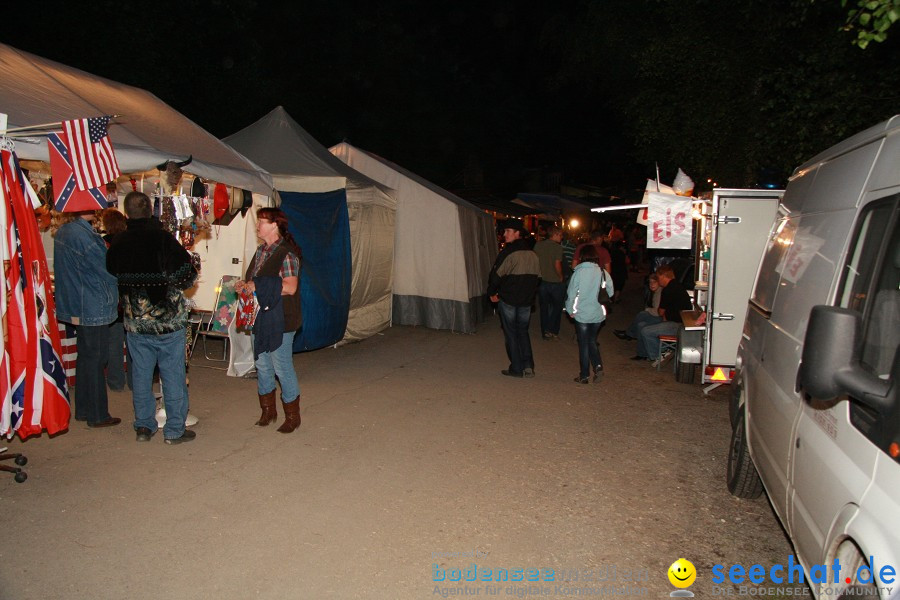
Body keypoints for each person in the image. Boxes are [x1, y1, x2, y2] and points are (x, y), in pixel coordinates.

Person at [106, 192, 198, 444]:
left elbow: (111, 271)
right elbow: (187, 275)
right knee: (173, 375)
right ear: (150, 211)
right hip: (167, 321)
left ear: (127, 213)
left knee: (141, 375)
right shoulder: (163, 239)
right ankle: (174, 430)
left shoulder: (118, 241)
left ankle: (144, 427)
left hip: (135, 322)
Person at [235, 207, 303, 433]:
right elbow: (255, 282)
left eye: (262, 221)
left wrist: (258, 286)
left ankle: (292, 416)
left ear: (274, 225)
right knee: (262, 365)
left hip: (282, 319)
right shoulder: (260, 251)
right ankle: (268, 411)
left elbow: (290, 288)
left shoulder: (287, 254)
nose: (258, 226)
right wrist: (244, 285)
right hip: (260, 316)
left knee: (281, 367)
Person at [53, 210, 122, 428]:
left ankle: (84, 409)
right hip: (93, 302)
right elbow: (107, 270)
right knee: (96, 358)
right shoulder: (82, 235)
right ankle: (97, 414)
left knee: (86, 357)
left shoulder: (66, 231)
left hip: (80, 300)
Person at [487, 219, 540, 378]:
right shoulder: (533, 254)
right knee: (523, 332)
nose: (505, 234)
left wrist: (491, 292)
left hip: (509, 298)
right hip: (526, 300)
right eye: (504, 232)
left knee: (510, 333)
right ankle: (528, 365)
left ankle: (516, 368)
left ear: (518, 233)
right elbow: (538, 278)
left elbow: (496, 275)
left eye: (508, 231)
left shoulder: (508, 253)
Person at [565, 244, 614, 384]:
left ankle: (584, 375)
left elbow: (571, 293)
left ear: (581, 257)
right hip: (598, 314)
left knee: (583, 344)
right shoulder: (603, 272)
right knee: (592, 340)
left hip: (582, 314)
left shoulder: (578, 273)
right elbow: (610, 292)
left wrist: (570, 310)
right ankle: (598, 367)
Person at [632, 264, 693, 364]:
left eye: (658, 277)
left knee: (646, 331)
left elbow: (660, 312)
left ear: (664, 276)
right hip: (676, 322)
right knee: (642, 324)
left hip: (677, 324)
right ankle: (646, 353)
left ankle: (660, 354)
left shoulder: (668, 289)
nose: (658, 280)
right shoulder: (677, 286)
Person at [100, 208, 129, 392]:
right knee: (135, 344)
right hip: (131, 296)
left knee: (114, 344)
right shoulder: (130, 241)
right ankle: (135, 382)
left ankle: (116, 382)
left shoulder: (103, 245)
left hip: (113, 298)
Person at [533, 225, 565, 340]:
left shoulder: (538, 245)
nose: (562, 237)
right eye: (560, 235)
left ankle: (545, 331)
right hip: (555, 282)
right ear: (555, 234)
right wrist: (561, 276)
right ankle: (553, 330)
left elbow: (535, 261)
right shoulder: (558, 248)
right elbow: (557, 264)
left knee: (544, 308)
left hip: (542, 281)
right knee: (557, 308)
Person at [614, 273, 662, 341]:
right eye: (650, 282)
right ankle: (629, 334)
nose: (652, 284)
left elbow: (658, 312)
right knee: (641, 324)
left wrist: (648, 310)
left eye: (654, 282)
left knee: (642, 314)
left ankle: (628, 334)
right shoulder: (655, 292)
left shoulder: (659, 292)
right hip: (657, 316)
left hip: (661, 318)